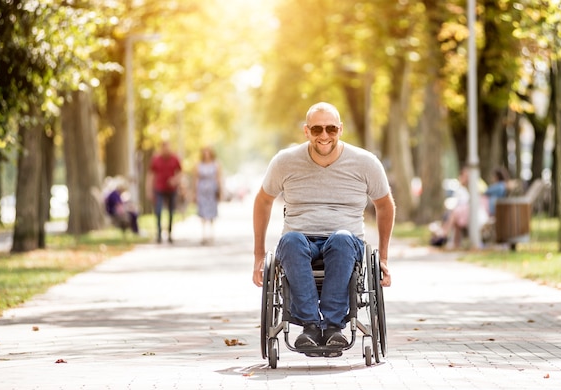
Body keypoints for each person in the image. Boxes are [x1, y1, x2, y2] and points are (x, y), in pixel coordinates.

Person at [252, 102, 395, 350]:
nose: (324, 136)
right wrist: (257, 256)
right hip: (300, 241)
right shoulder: (285, 161)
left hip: (345, 242)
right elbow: (263, 201)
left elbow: (385, 205)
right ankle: (309, 326)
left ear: (341, 129)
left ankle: (332, 326)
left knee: (340, 239)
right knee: (291, 240)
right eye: (317, 129)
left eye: (331, 129)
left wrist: (383, 257)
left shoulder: (365, 162)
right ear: (306, 131)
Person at [430, 166, 488, 248]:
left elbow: (474, 201)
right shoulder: (461, 188)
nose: (462, 177)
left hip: (476, 214)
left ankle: (444, 234)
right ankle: (452, 241)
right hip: (466, 213)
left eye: (464, 175)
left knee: (455, 214)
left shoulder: (475, 185)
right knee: (455, 217)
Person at [146, 140, 182, 243]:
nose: (166, 150)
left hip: (171, 189)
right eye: (164, 148)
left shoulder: (175, 158)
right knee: (158, 211)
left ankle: (170, 233)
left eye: (168, 147)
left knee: (171, 212)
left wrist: (175, 180)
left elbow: (180, 173)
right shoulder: (156, 159)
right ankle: (159, 234)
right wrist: (149, 190)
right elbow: (150, 175)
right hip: (159, 188)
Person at [193, 146, 223, 244]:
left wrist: (220, 190)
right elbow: (196, 179)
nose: (206, 154)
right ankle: (204, 235)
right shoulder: (199, 165)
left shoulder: (216, 164)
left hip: (212, 191)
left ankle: (211, 234)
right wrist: (195, 192)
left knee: (212, 213)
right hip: (202, 191)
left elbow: (219, 178)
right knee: (202, 213)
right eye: (204, 152)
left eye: (208, 152)